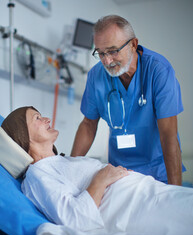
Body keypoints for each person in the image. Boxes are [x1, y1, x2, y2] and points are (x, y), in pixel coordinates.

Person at [1, 106, 193, 235]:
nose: (46, 118)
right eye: (37, 118)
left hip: (149, 195)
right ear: (23, 135)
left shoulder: (62, 162)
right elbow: (75, 219)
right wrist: (101, 178)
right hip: (139, 209)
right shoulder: (37, 175)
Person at [71, 15, 184, 185]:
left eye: (113, 51)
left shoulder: (158, 70)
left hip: (158, 171)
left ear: (133, 44)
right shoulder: (96, 76)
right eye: (101, 53)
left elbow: (169, 135)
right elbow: (88, 125)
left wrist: (176, 191)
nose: (107, 61)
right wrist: (70, 169)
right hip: (119, 173)